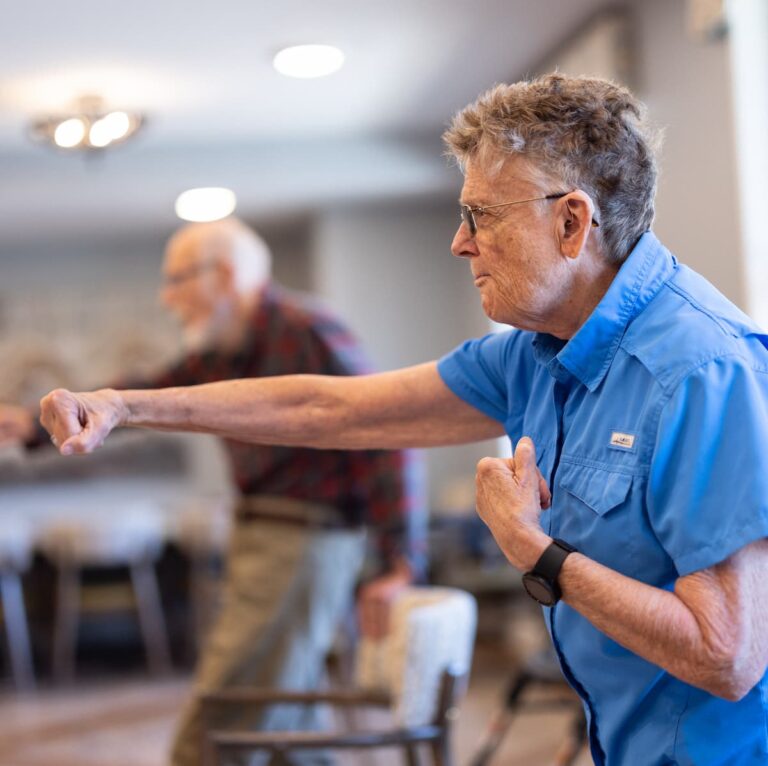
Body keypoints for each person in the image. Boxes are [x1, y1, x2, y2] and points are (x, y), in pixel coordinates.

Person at [37, 74, 768, 765]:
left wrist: (531, 549)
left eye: (480, 215)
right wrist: (124, 406)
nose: (460, 242)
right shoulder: (535, 355)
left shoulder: (702, 371)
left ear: (572, 221)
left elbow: (727, 655)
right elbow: (325, 405)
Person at [1, 217, 425, 766]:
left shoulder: (305, 328)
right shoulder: (222, 349)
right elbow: (147, 395)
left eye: (178, 279)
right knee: (286, 722)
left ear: (224, 275)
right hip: (261, 534)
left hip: (303, 542)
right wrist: (35, 428)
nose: (167, 297)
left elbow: (387, 431)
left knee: (222, 718)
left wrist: (402, 561)